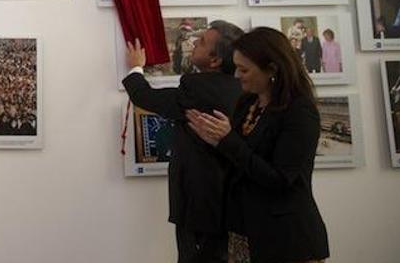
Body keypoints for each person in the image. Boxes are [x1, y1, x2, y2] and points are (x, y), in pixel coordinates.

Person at [186, 27, 330, 263]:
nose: (236, 76)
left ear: (272, 69)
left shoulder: (299, 111)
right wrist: (216, 142)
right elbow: (242, 161)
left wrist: (227, 141)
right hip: (244, 232)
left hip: (285, 239)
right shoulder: (248, 102)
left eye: (244, 69)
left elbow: (280, 179)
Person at [123, 20, 244, 263]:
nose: (193, 43)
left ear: (215, 60)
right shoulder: (240, 89)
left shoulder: (197, 88)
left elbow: (145, 97)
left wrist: (136, 67)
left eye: (201, 42)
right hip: (231, 204)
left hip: (200, 206)